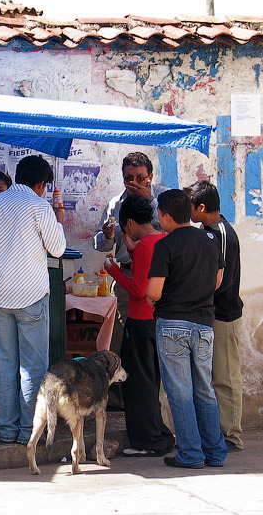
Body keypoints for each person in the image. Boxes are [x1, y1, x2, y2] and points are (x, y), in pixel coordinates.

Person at [0, 155, 66, 444]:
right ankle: (29, 432)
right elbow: (57, 249)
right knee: (32, 369)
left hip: (0, 296)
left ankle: (6, 429)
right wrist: (57, 223)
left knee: (5, 366)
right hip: (31, 296)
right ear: (41, 184)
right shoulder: (39, 206)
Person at [146, 189, 227, 469]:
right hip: (204, 326)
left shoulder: (165, 245)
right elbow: (217, 282)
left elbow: (154, 292)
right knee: (204, 390)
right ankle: (215, 452)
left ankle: (191, 454)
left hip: (173, 326)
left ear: (167, 217)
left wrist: (151, 296)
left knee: (180, 393)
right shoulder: (209, 240)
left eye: (159, 215)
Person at [93, 152, 167, 408]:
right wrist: (106, 236)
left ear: (150, 177)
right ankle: (120, 399)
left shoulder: (162, 199)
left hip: (160, 276)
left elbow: (173, 231)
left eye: (140, 178)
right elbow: (102, 245)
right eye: (129, 178)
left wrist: (152, 202)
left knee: (155, 339)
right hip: (127, 273)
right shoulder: (116, 204)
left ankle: (152, 397)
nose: (134, 183)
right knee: (125, 337)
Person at [104, 195, 175, 457]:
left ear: (130, 222)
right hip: (156, 321)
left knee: (138, 386)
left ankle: (148, 441)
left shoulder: (147, 245)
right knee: (151, 382)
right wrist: (134, 249)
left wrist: (114, 270)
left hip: (140, 320)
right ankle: (160, 435)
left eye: (125, 230)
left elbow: (138, 289)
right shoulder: (162, 240)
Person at [185, 180, 244, 453]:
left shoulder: (220, 233)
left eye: (191, 206)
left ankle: (230, 436)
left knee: (225, 377)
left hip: (224, 315)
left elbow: (221, 280)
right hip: (212, 314)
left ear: (202, 207)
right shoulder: (208, 230)